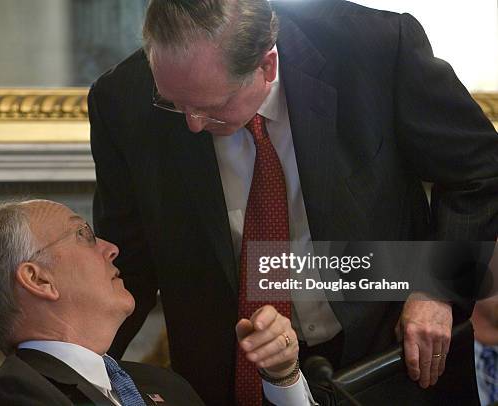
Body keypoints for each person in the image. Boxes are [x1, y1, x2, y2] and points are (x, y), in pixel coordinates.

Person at [88, 0, 498, 404]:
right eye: (174, 104)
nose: (193, 124)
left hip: (391, 356)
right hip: (231, 373)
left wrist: (437, 288)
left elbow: (480, 172)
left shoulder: (373, 47)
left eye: (212, 108)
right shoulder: (121, 100)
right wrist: (62, 372)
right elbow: (128, 265)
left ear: (267, 66)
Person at [0, 200, 206, 405]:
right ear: (38, 279)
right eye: (84, 235)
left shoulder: (168, 384)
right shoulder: (14, 395)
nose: (112, 249)